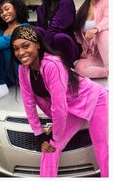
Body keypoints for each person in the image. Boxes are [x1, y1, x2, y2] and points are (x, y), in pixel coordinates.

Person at [10, 25, 108, 177]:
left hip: (95, 99)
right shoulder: (23, 70)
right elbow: (28, 102)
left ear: (38, 44)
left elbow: (59, 108)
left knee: (104, 149)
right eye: (16, 48)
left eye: (25, 46)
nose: (21, 53)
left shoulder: (52, 65)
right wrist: (40, 135)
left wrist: (55, 134)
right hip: (71, 108)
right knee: (50, 148)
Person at [36, 0, 82, 66]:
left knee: (59, 37)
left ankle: (66, 68)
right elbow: (41, 32)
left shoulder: (66, 1)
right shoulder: (41, 9)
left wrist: (44, 51)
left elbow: (55, 27)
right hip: (50, 46)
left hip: (67, 47)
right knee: (37, 30)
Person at [0, 0, 29, 101]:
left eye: (6, 9)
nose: (4, 13)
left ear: (16, 8)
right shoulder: (1, 32)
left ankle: (0, 84)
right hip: (8, 79)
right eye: (1, 12)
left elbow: (1, 43)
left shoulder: (24, 28)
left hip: (22, 76)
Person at [74, 0, 108, 78]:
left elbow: (108, 19)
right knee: (79, 69)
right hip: (92, 53)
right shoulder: (81, 10)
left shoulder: (107, 4)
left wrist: (95, 29)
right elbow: (77, 33)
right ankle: (107, 71)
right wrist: (82, 48)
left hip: (106, 49)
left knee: (103, 33)